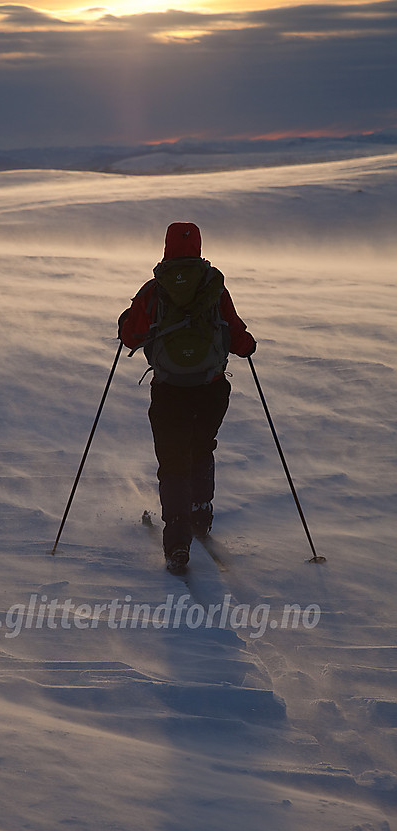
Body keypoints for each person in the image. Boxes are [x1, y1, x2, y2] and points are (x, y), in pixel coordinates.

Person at [118, 222, 256, 573]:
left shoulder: (154, 289)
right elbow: (236, 336)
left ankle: (177, 540)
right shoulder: (214, 288)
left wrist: (125, 323)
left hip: (169, 389)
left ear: (166, 247)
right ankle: (200, 513)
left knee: (173, 459)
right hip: (210, 387)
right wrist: (248, 344)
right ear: (198, 246)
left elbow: (132, 337)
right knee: (201, 446)